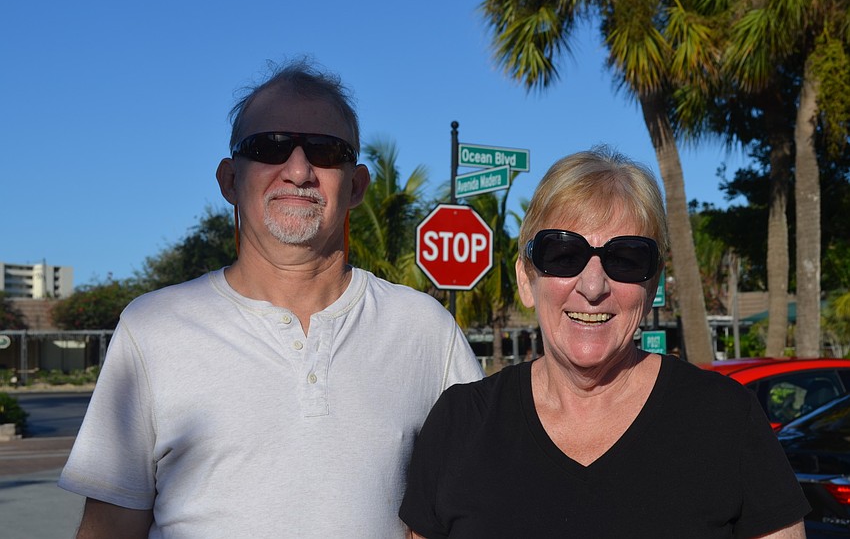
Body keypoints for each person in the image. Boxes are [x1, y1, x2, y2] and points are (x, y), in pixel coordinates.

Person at [58, 59, 483, 538]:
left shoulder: (425, 329)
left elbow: (477, 501)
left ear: (357, 185)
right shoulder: (153, 328)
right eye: (269, 147)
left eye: (325, 151)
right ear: (229, 181)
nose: (299, 170)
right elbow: (109, 527)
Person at [399, 147, 810, 538]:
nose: (593, 286)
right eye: (563, 254)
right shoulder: (458, 425)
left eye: (626, 259)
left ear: (651, 287)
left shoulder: (726, 420)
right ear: (527, 280)